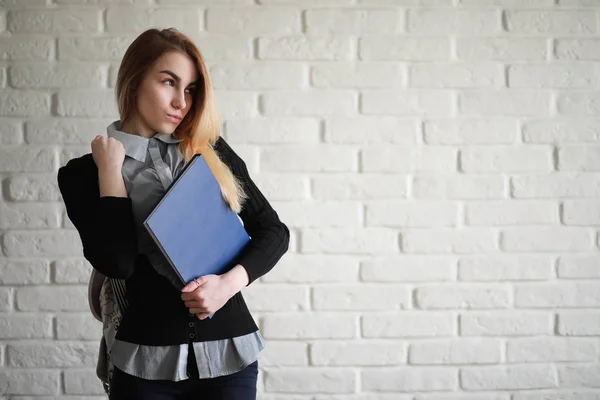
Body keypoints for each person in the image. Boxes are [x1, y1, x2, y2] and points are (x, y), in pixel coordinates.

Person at [56, 27, 290, 400]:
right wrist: (110, 174)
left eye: (191, 89)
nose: (181, 101)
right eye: (169, 82)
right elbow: (117, 263)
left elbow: (273, 231)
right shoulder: (84, 173)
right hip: (143, 367)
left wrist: (227, 285)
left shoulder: (210, 151)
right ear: (134, 82)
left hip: (231, 358)